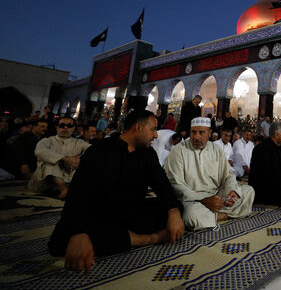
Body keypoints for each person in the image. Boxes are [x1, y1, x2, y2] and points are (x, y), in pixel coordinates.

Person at [48, 110, 184, 274]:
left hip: (131, 215)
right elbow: (78, 195)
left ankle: (120, 238)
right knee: (62, 240)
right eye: (153, 129)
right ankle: (148, 239)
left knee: (177, 208)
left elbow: (161, 184)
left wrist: (174, 211)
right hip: (99, 217)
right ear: (139, 127)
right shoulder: (99, 151)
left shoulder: (147, 154)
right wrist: (79, 233)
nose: (156, 135)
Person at [164, 117, 254, 230]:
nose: (196, 136)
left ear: (209, 133)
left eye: (201, 132)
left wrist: (232, 190)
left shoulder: (216, 150)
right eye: (193, 132)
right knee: (191, 215)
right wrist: (204, 200)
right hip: (192, 199)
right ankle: (224, 215)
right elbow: (176, 185)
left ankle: (212, 216)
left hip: (216, 194)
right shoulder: (178, 151)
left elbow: (228, 175)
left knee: (248, 191)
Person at [29, 116, 90, 198]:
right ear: (57, 127)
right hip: (45, 182)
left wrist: (78, 157)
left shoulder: (79, 143)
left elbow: (93, 151)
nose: (65, 128)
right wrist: (64, 158)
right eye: (62, 125)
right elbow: (40, 151)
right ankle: (64, 189)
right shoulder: (47, 141)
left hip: (69, 179)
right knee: (49, 163)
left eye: (69, 126)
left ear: (73, 128)